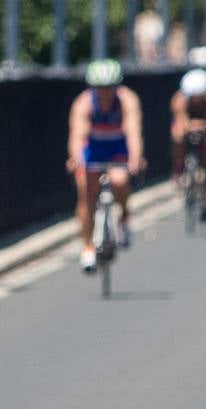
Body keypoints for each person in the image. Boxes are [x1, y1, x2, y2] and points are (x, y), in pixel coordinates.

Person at [67, 58, 144, 273]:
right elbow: (77, 134)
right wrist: (75, 158)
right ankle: (88, 247)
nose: (106, 92)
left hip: (117, 146)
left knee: (120, 180)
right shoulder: (83, 103)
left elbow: (133, 131)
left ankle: (124, 218)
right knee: (86, 191)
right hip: (94, 148)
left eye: (110, 87)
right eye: (101, 88)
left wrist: (135, 158)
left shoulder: (127, 100)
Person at [170, 67, 206, 222]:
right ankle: (178, 166)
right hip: (186, 125)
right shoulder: (179, 100)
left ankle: (205, 200)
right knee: (178, 136)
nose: (196, 99)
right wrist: (189, 127)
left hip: (204, 127)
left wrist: (203, 127)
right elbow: (181, 121)